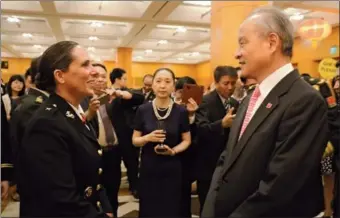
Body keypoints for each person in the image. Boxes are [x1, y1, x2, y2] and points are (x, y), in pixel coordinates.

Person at [202, 7, 328, 218]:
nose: (237, 53)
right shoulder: (252, 97)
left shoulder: (304, 101)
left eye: (243, 43)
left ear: (271, 42)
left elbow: (280, 186)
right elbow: (227, 158)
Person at [18, 41, 113, 217]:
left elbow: (92, 179)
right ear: (60, 76)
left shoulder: (72, 112)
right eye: (85, 65)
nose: (94, 71)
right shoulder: (46, 123)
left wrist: (104, 207)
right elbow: (61, 199)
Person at [84, 62, 144, 216]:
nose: (99, 79)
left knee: (112, 195)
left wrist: (119, 93)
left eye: (103, 76)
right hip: (91, 155)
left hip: (113, 153)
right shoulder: (82, 98)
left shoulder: (114, 97)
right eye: (94, 76)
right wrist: (90, 111)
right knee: (91, 196)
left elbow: (140, 97)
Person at [132, 68, 191, 217]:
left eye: (167, 82)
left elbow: (186, 140)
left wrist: (173, 151)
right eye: (158, 81)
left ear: (173, 86)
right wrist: (147, 138)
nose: (162, 86)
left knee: (171, 207)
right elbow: (135, 140)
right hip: (149, 166)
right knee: (149, 207)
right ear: (152, 85)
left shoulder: (181, 111)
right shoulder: (143, 110)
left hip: (172, 166)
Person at [195, 66, 239, 213]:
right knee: (206, 204)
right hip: (208, 162)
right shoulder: (205, 101)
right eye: (226, 83)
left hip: (228, 161)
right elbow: (200, 129)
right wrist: (221, 124)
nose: (230, 87)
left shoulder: (235, 103)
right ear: (216, 82)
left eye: (233, 83)